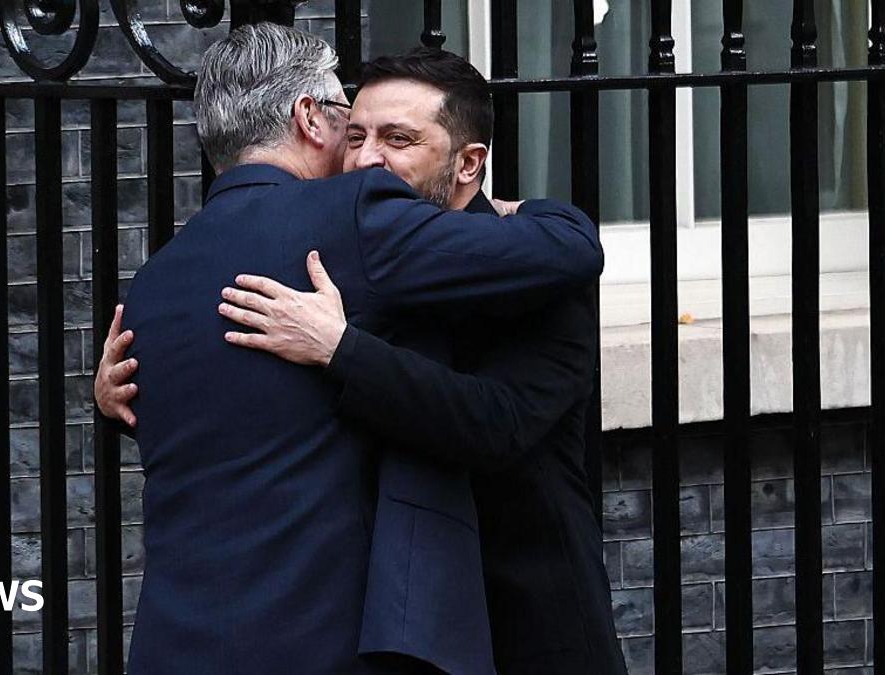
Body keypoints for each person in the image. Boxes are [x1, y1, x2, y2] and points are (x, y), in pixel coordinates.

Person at [114, 24, 602, 675]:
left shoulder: (157, 283)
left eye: (396, 138)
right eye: (357, 133)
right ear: (309, 120)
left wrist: (339, 348)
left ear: (468, 161)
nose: (367, 158)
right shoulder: (342, 226)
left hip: (524, 629)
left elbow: (497, 422)